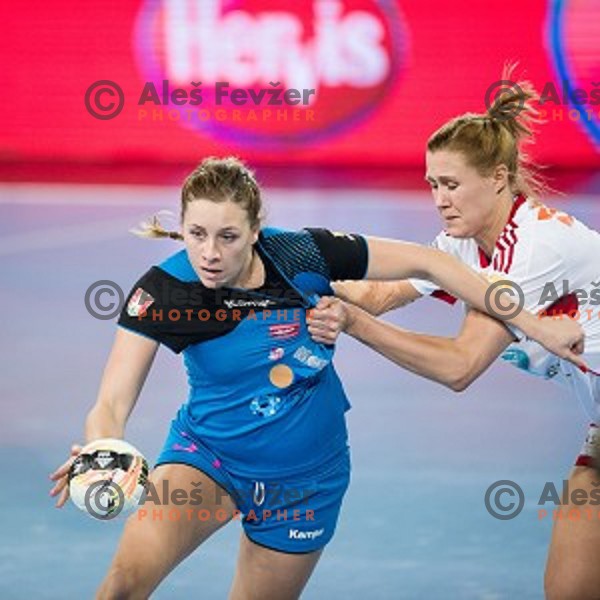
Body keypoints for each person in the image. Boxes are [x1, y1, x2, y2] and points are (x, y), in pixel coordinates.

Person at [48, 156, 582, 600]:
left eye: (229, 236)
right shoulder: (166, 291)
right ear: (182, 228)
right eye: (197, 234)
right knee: (121, 586)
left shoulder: (303, 253)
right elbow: (111, 403)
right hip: (209, 460)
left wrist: (532, 324)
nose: (210, 253)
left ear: (256, 230)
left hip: (306, 482)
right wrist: (105, 448)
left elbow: (431, 263)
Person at [308, 70, 600, 600]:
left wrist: (353, 325)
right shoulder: (462, 243)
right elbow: (377, 292)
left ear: (497, 178)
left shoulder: (530, 248)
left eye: (451, 184)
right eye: (433, 185)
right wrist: (294, 273)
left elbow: (459, 366)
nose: (440, 199)